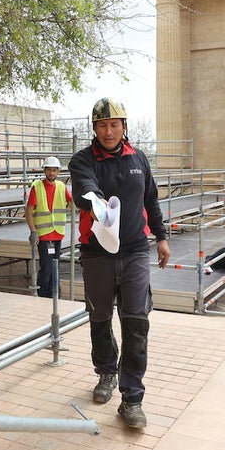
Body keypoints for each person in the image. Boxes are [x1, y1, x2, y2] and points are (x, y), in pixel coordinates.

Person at [69, 97, 170, 429]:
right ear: (94, 129)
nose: (108, 131)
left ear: (124, 127)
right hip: (98, 254)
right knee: (99, 319)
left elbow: (150, 198)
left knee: (136, 323)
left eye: (114, 125)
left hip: (135, 251)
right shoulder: (83, 160)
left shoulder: (138, 158)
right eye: (101, 125)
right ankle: (106, 372)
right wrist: (97, 203)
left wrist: (162, 236)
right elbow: (85, 189)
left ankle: (132, 399)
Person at [25, 156, 72, 298]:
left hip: (57, 233)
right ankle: (44, 294)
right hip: (44, 235)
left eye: (54, 170)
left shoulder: (61, 187)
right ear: (44, 171)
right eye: (49, 170)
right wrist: (33, 231)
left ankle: (54, 294)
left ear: (58, 172)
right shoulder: (37, 187)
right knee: (47, 268)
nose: (52, 173)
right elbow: (29, 211)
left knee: (54, 266)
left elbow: (71, 205)